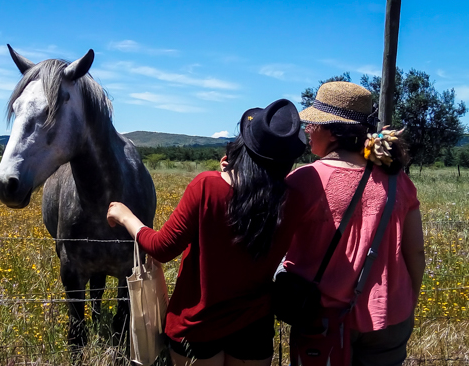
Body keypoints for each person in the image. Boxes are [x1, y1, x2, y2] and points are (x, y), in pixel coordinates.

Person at [107, 99, 306, 366]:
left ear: (242, 148)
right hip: (254, 328)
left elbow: (162, 248)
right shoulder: (294, 200)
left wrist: (125, 216)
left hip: (196, 325)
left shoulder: (207, 186)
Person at [280, 81, 425, 365]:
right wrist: (408, 303)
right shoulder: (399, 181)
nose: (308, 130)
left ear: (332, 132)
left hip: (320, 319)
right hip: (390, 320)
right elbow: (416, 253)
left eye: (313, 124)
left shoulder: (303, 180)